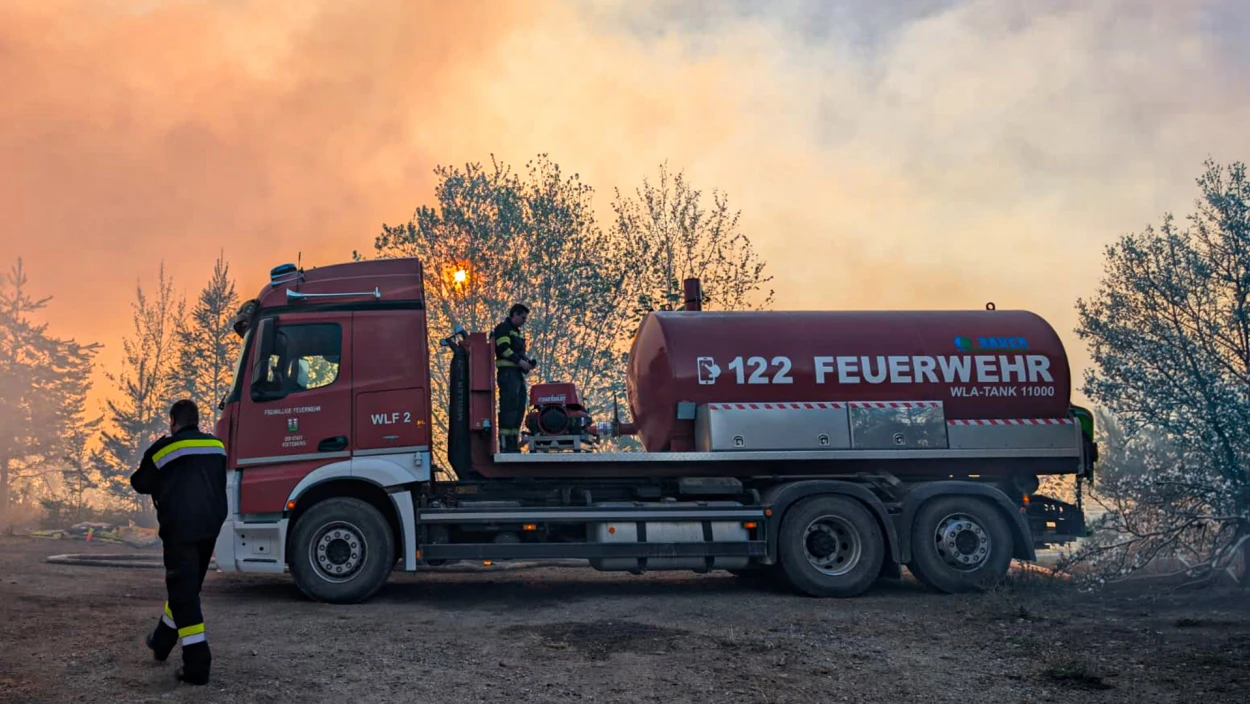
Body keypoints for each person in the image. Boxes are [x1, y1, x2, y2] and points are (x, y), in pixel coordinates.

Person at [129, 399, 228, 686]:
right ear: (196, 420)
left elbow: (140, 483)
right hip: (210, 527)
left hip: (181, 531)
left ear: (174, 421)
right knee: (186, 589)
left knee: (184, 595)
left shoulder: (165, 449)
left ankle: (198, 664)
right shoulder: (216, 446)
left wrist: (157, 445)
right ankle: (161, 640)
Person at [492, 303, 536, 453]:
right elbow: (503, 349)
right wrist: (520, 362)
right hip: (507, 375)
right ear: (514, 314)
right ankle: (505, 445)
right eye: (522, 317)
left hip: (516, 375)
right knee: (509, 409)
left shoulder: (515, 332)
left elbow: (516, 353)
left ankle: (512, 444)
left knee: (518, 410)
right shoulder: (503, 329)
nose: (524, 321)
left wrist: (527, 363)